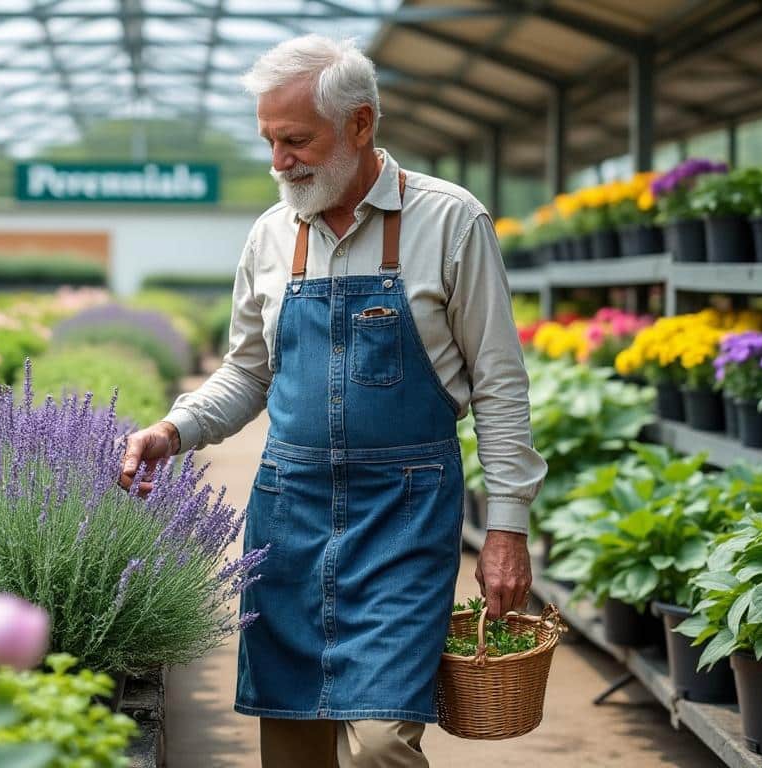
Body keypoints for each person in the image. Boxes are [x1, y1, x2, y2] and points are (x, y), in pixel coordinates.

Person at [118, 35, 547, 768]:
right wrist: (174, 428)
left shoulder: (450, 221)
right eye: (269, 141)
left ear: (360, 123)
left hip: (405, 516)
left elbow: (500, 386)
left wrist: (507, 528)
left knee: (380, 744)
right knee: (293, 740)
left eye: (296, 140)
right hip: (290, 513)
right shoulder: (270, 234)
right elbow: (247, 373)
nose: (279, 161)